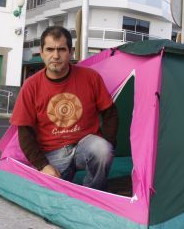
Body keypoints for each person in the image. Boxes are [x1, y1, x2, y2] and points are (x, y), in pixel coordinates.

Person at [10, 26, 118, 191]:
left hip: (85, 145)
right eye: (50, 49)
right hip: (52, 153)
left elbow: (110, 113)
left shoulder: (91, 78)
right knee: (47, 197)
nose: (55, 55)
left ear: (71, 52)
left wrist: (108, 146)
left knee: (102, 149)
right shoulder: (31, 85)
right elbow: (24, 132)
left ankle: (94, 194)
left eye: (61, 49)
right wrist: (43, 165)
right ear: (41, 52)